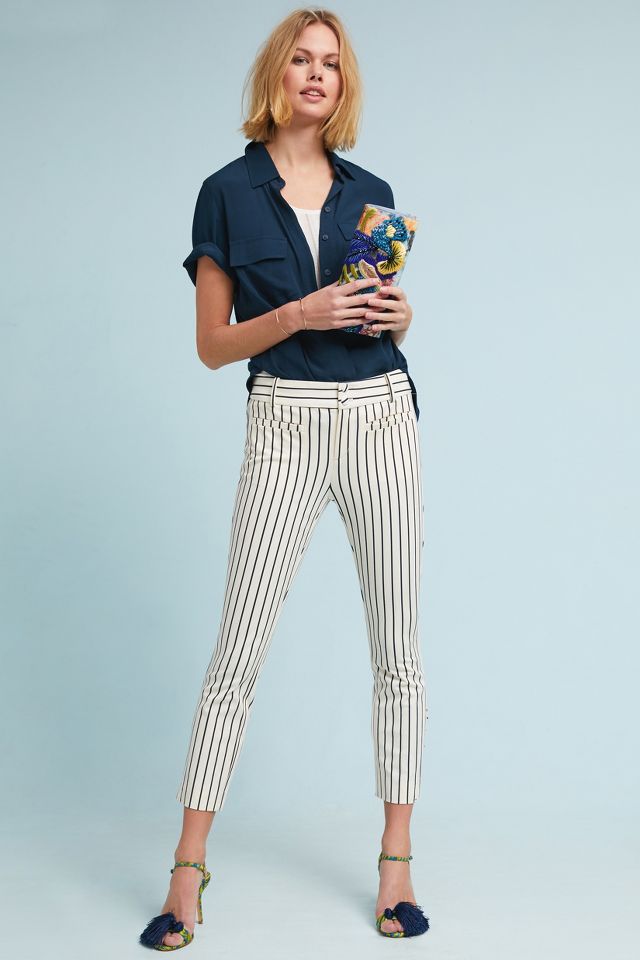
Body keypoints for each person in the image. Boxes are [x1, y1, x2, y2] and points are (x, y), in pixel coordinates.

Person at [139, 7, 429, 950]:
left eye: (330, 65)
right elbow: (211, 345)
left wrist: (400, 314)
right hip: (287, 423)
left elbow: (383, 316)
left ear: (343, 85)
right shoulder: (225, 193)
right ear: (276, 73)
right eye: (301, 60)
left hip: (380, 413)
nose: (316, 75)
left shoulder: (371, 192)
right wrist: (302, 310)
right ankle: (187, 868)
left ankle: (397, 859)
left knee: (398, 647)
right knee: (239, 648)